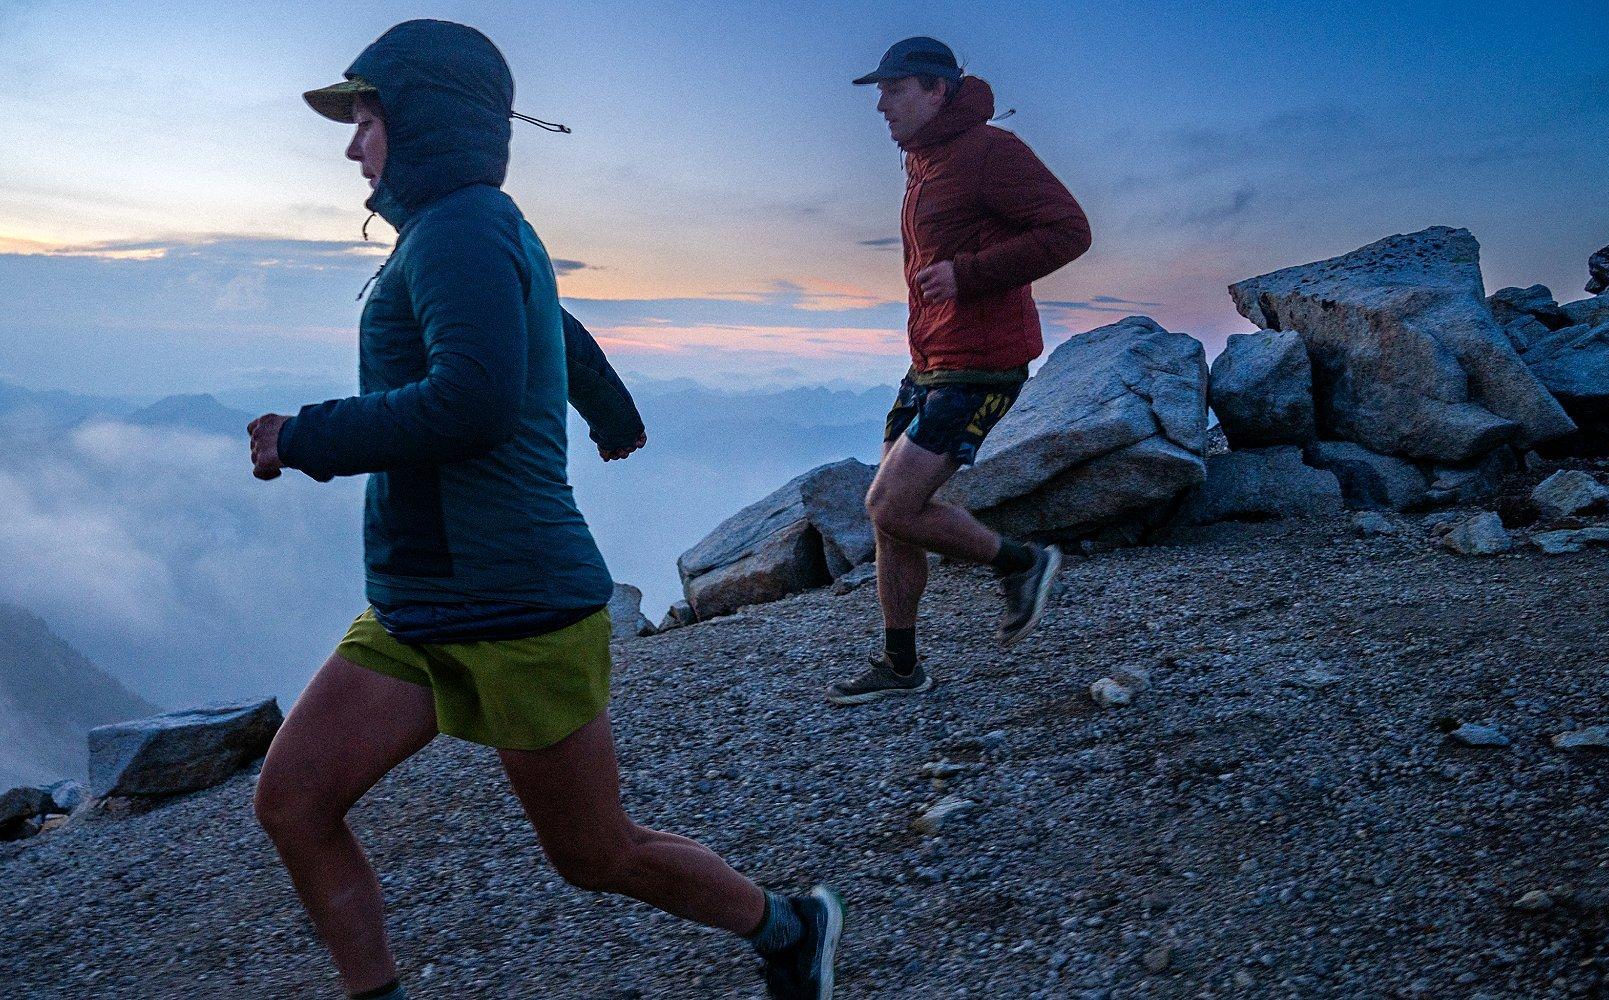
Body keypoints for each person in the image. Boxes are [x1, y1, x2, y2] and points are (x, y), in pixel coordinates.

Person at [244, 20, 841, 1000]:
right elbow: (546, 319)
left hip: (516, 604)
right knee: (293, 800)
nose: (351, 146)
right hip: (417, 604)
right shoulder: (463, 232)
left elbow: (471, 401)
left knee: (596, 853)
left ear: (422, 120)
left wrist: (304, 437)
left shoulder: (464, 229)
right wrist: (608, 408)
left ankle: (788, 927)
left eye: (365, 120)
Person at [826, 37, 1093, 706]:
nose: (880, 104)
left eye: (893, 89)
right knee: (893, 517)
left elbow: (1070, 230)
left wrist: (970, 275)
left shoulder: (990, 152)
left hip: (982, 362)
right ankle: (901, 664)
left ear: (935, 89)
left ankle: (1025, 563)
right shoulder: (924, 161)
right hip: (931, 360)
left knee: (888, 502)